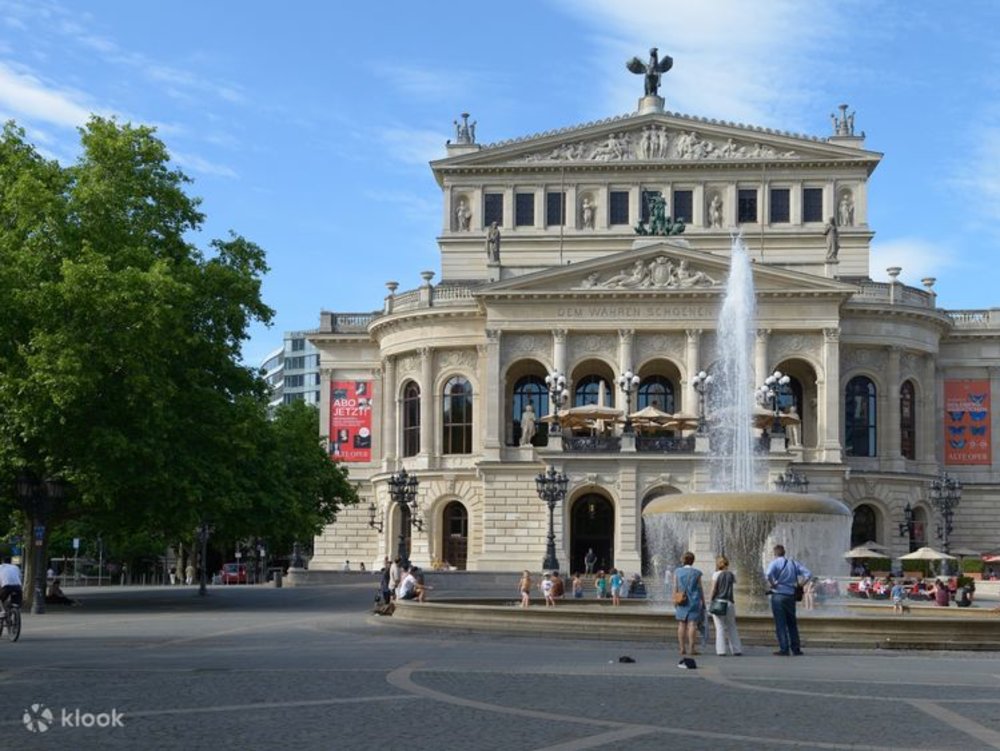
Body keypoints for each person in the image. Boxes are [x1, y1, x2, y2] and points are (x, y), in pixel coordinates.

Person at [764, 544, 811, 656]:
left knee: (780, 623)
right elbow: (808, 574)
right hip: (790, 595)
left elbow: (768, 574)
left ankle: (784, 648)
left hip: (778, 595)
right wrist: (800, 584)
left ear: (775, 553)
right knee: (792, 623)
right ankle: (796, 648)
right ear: (784, 552)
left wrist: (772, 584)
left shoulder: (774, 563)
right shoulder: (793, 563)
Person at [709, 556, 743, 656]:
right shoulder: (731, 575)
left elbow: (714, 589)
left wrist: (710, 600)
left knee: (720, 627)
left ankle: (721, 650)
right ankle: (737, 650)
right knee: (732, 626)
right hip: (730, 603)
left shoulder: (716, 574)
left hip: (719, 602)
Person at [674, 551, 704, 656]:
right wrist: (703, 602)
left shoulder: (677, 572)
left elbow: (675, 587)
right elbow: (700, 589)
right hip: (694, 600)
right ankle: (692, 648)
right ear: (693, 561)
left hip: (681, 600)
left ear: (683, 560)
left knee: (681, 624)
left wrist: (675, 600)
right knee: (692, 624)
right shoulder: (697, 573)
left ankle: (682, 648)